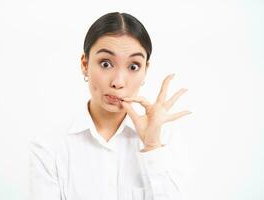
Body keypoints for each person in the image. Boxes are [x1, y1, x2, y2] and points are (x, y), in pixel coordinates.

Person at [29, 12, 191, 200]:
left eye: (133, 67)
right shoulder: (49, 147)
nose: (118, 82)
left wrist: (152, 146)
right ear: (85, 64)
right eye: (106, 64)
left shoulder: (166, 140)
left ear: (146, 70)